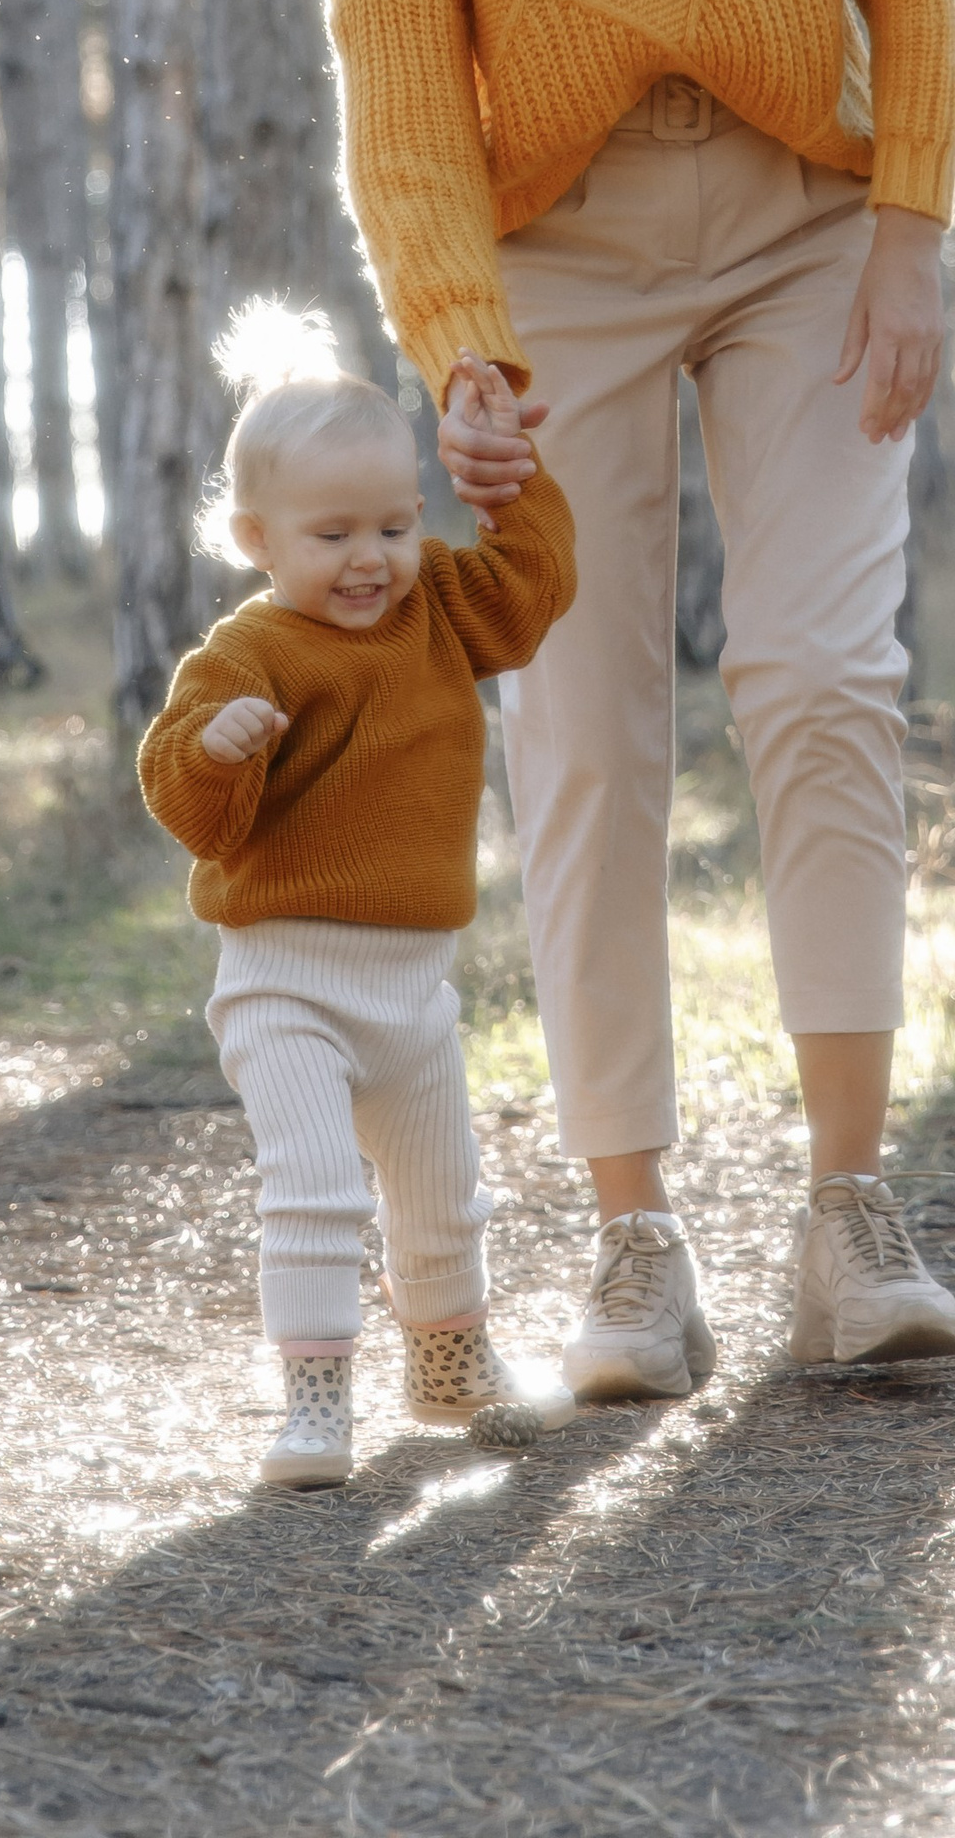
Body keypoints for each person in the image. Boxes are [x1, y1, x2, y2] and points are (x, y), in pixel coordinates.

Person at [252, 0, 955, 1400]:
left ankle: (851, 1211)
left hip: (805, 222)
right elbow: (400, 95)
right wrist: (458, 349)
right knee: (579, 732)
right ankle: (634, 1239)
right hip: (556, 256)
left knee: (818, 674)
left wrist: (909, 230)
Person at [138, 333, 575, 1491]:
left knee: (442, 1194)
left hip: (413, 987)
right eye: (330, 535)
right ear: (257, 539)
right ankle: (315, 1395)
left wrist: (515, 487)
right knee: (316, 1185)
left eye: (390, 524)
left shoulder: (437, 607)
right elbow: (188, 804)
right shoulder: (248, 652)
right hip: (284, 980)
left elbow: (531, 592)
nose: (369, 559)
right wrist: (216, 749)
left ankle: (449, 1364)